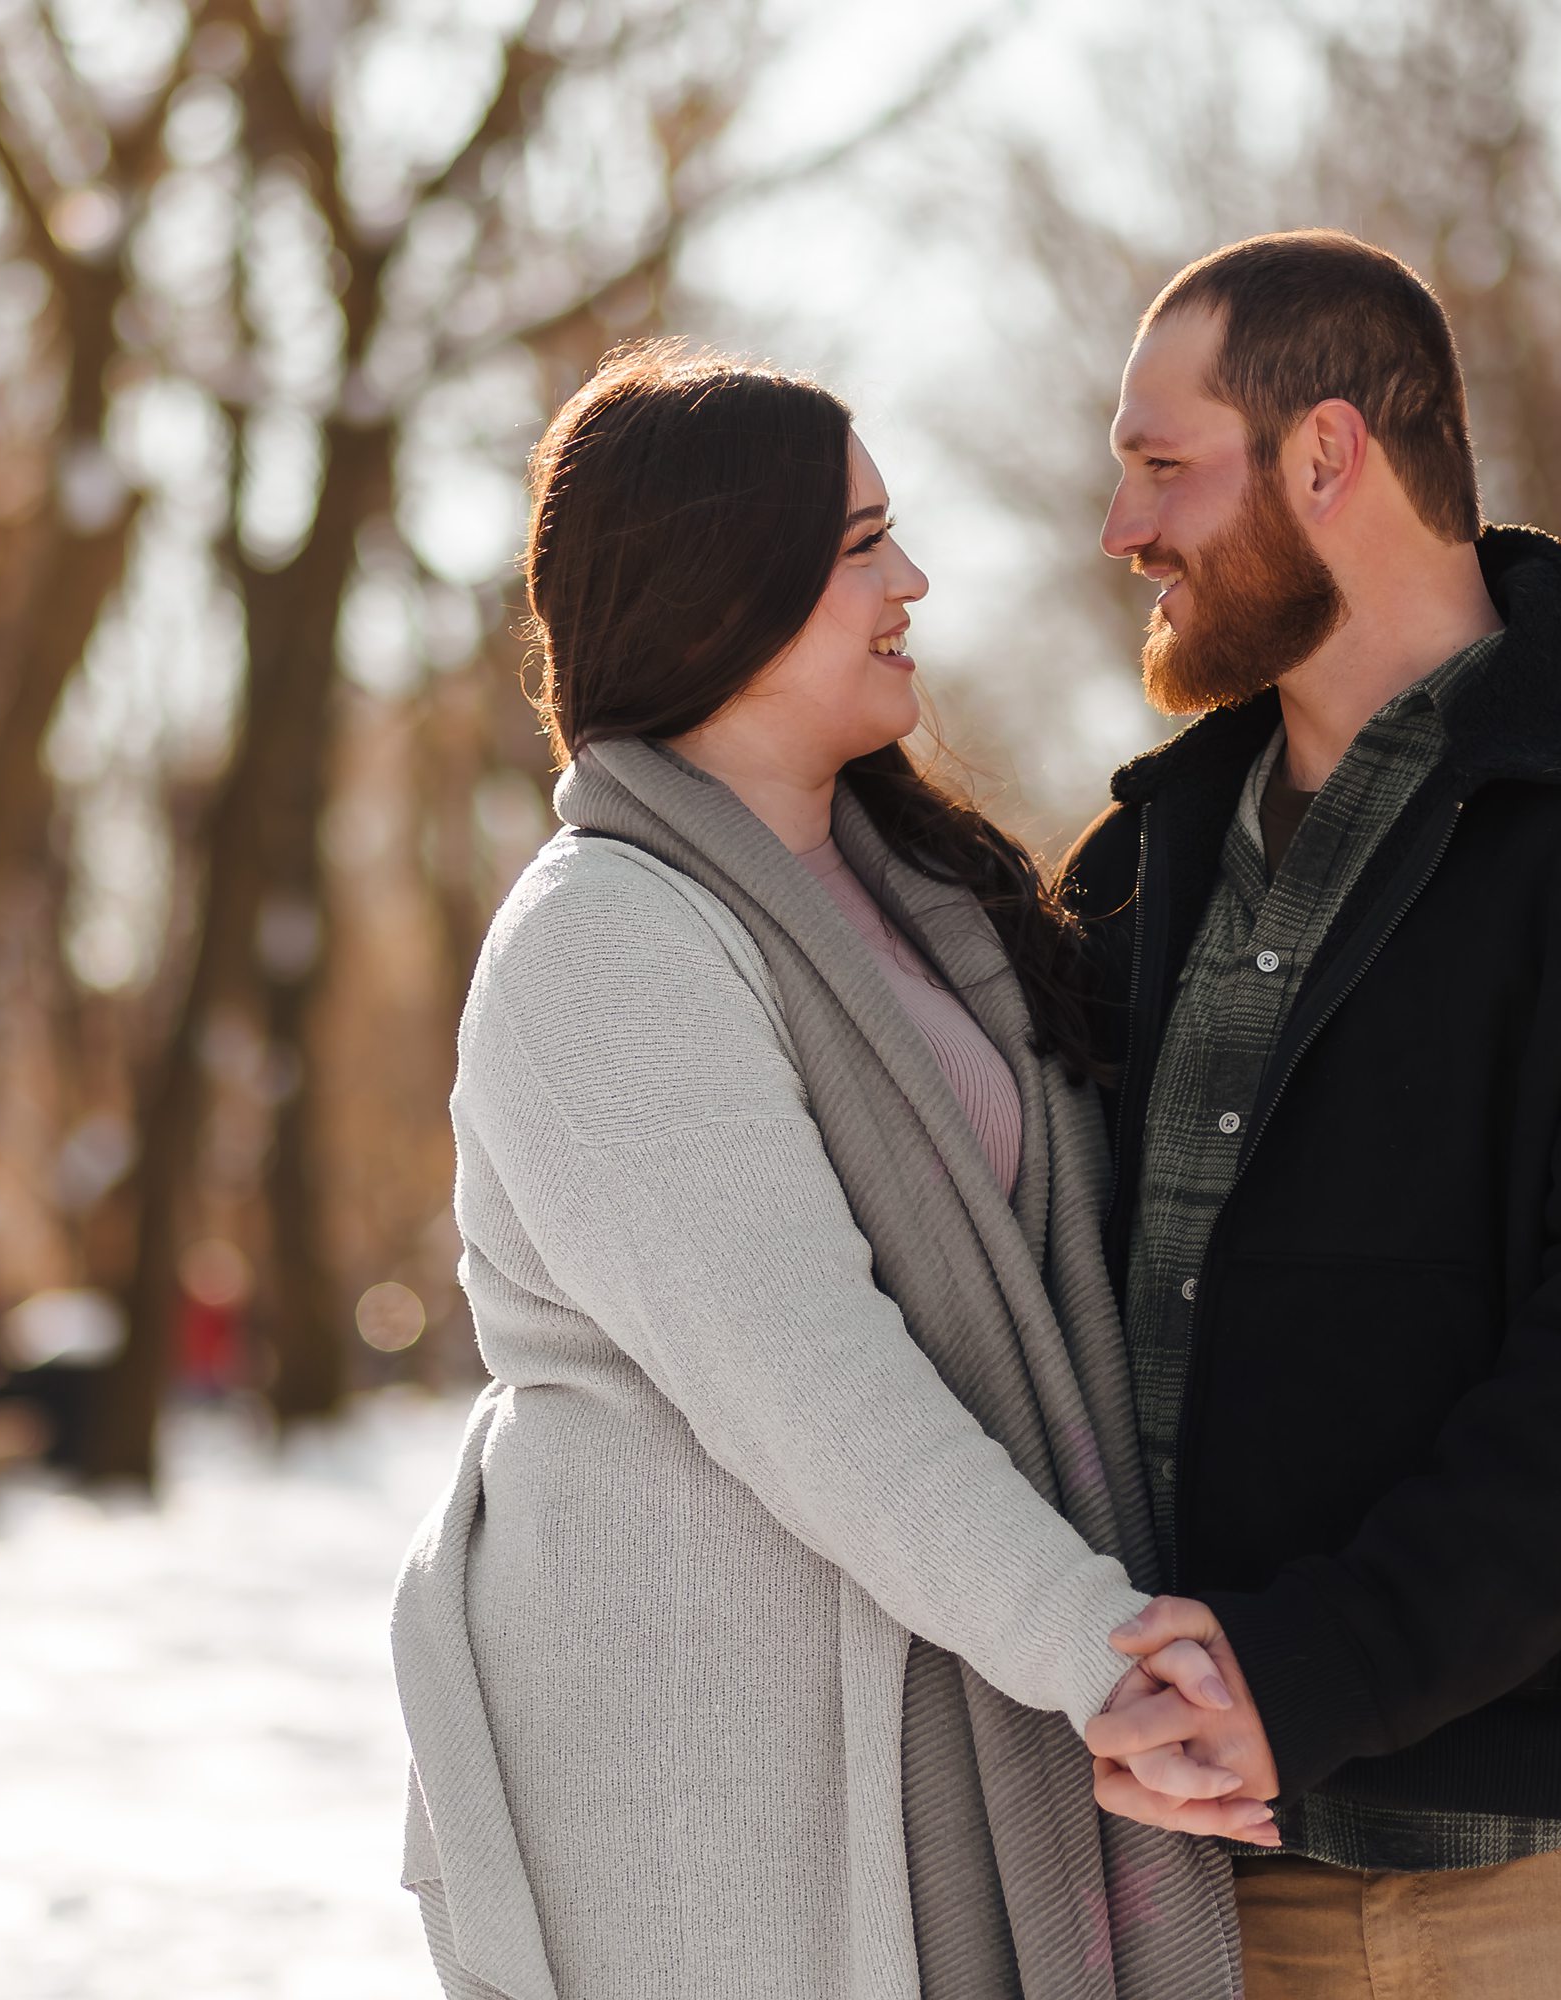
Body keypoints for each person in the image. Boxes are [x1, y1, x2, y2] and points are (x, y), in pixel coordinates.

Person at [391, 343, 1267, 2000]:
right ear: (724, 590)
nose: (912, 582)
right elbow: (812, 1377)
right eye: (865, 544)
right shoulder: (604, 944)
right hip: (717, 1819)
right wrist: (1100, 1653)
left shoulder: (922, 907)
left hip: (920, 1717)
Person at [1064, 232, 1561, 1998]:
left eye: (1160, 463)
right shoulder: (1134, 874)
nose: (1123, 529)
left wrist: (1305, 1674)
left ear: (1327, 457)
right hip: (1232, 1903)